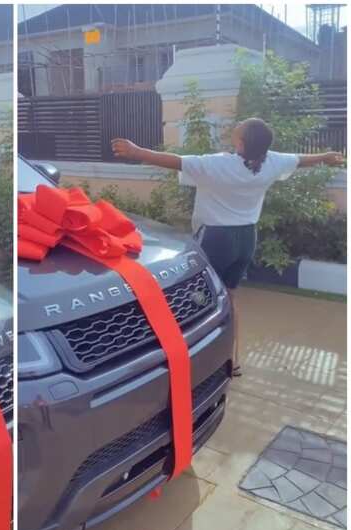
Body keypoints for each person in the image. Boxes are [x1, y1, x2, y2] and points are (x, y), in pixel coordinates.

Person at [112, 118, 343, 376]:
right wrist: (325, 156)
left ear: (241, 141)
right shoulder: (271, 161)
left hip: (216, 238)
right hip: (246, 238)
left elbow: (176, 161)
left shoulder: (219, 164)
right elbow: (300, 159)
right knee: (230, 298)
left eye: (242, 126)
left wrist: (135, 152)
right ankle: (233, 359)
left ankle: (193, 362)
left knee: (197, 298)